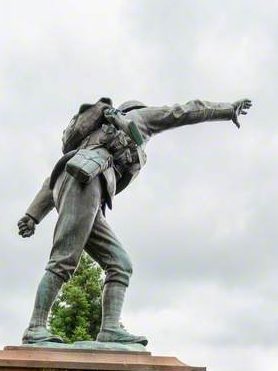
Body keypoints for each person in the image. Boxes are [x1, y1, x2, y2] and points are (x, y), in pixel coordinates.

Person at [18, 96, 252, 345]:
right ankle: (35, 327)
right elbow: (182, 112)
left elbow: (55, 178)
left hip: (83, 187)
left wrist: (33, 214)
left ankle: (109, 328)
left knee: (120, 263)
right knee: (64, 260)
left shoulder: (94, 138)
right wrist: (227, 110)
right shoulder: (138, 118)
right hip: (86, 184)